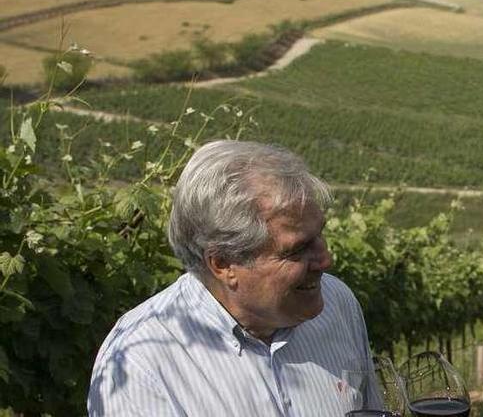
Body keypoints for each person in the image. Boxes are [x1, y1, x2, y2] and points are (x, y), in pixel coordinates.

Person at [88, 140, 373, 416]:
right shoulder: (139, 365)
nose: (326, 260)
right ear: (223, 264)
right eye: (297, 249)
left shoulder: (337, 302)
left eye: (319, 234)